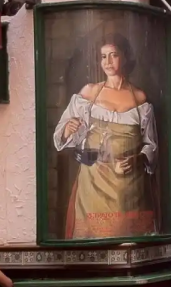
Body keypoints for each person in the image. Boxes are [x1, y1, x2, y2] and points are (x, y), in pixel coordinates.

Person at [53, 34, 158, 239]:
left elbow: (151, 144)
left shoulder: (139, 98)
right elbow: (62, 135)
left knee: (126, 236)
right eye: (103, 57)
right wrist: (68, 129)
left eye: (114, 55)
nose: (108, 62)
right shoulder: (89, 93)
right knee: (92, 235)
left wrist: (138, 159)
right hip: (93, 180)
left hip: (129, 185)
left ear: (125, 57)